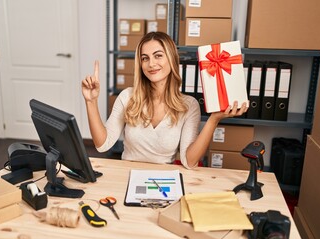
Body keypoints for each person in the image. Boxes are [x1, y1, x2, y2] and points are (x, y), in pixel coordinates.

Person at [82, 31, 248, 169]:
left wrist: (214, 120)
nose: (151, 64)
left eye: (158, 56)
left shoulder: (189, 105)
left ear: (171, 58)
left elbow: (189, 162)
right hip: (127, 175)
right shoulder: (127, 96)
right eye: (145, 58)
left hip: (164, 181)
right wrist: (91, 101)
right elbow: (102, 144)